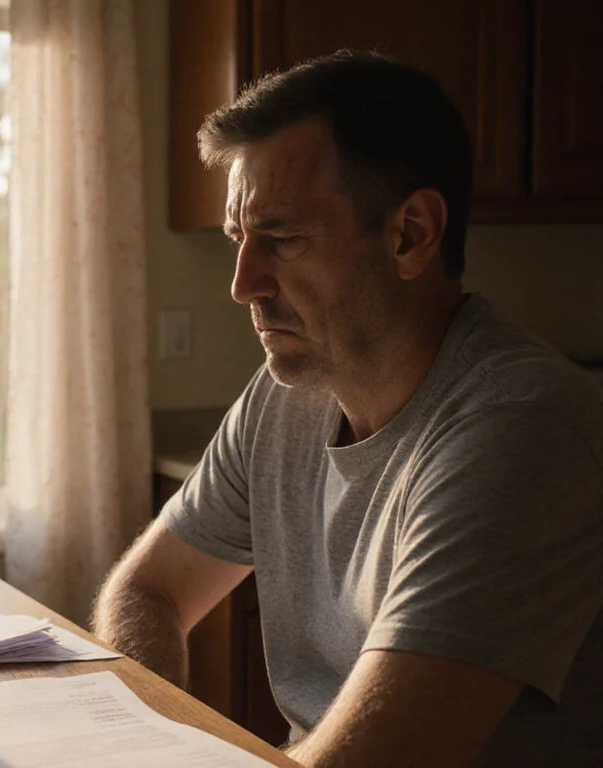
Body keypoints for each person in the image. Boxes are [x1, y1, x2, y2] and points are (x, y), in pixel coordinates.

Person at [93, 50, 603, 767]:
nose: (243, 285)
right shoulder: (284, 396)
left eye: (286, 239)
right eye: (241, 239)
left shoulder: (523, 429)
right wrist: (143, 742)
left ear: (411, 234)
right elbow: (145, 590)